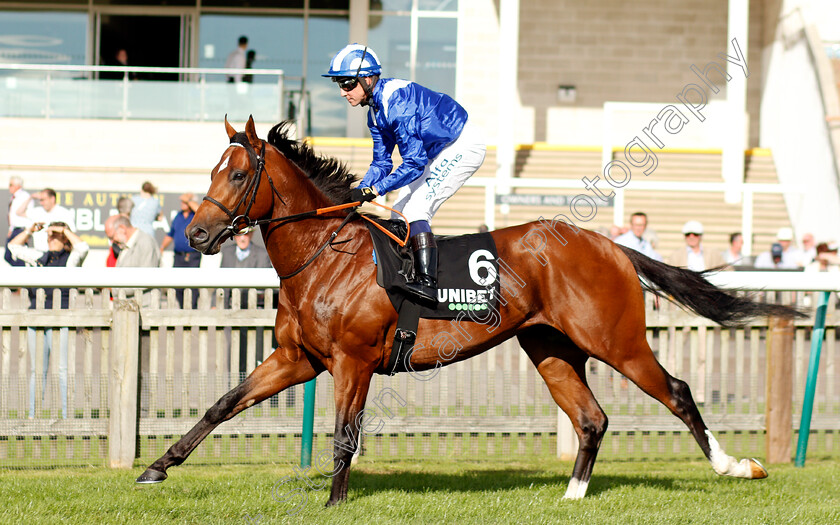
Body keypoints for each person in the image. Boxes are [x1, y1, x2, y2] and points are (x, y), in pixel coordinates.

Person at [324, 43, 487, 303]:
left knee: (415, 210)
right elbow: (381, 164)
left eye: (346, 84)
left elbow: (414, 162)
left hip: (462, 144)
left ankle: (428, 285)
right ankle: (406, 275)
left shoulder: (395, 102)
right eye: (340, 85)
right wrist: (359, 190)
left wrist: (375, 190)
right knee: (397, 212)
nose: (343, 92)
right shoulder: (375, 114)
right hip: (438, 151)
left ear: (367, 79)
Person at [8, 221, 89, 419]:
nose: (51, 238)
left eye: (55, 236)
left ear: (64, 239)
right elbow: (13, 247)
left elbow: (83, 247)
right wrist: (29, 230)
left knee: (62, 368)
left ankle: (65, 414)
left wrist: (65, 231)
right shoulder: (40, 257)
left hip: (60, 317)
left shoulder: (71, 259)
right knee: (37, 369)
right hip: (37, 316)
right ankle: (33, 414)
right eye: (49, 235)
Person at [219, 230, 272, 377]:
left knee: (256, 353)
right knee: (234, 352)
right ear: (234, 237)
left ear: (251, 235)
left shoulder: (262, 254)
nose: (242, 238)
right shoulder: (227, 253)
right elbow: (221, 281)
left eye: (246, 234)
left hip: (255, 311)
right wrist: (215, 303)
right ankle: (233, 385)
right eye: (239, 235)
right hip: (232, 311)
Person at [160, 193, 201, 308]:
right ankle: (183, 307)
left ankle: (192, 309)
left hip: (192, 256)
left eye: (185, 201)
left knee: (192, 285)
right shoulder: (178, 216)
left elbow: (199, 209)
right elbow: (170, 234)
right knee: (177, 285)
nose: (183, 203)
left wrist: (189, 200)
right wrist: (162, 247)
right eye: (182, 202)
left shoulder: (196, 215)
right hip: (178, 256)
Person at [6, 175, 34, 267]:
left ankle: (22, 272)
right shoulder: (14, 197)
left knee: (19, 255)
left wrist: (27, 232)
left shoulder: (25, 196)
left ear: (18, 185)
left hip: (21, 230)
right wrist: (11, 228)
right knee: (8, 255)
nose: (9, 187)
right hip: (15, 229)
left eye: (11, 185)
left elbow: (30, 215)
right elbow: (13, 215)